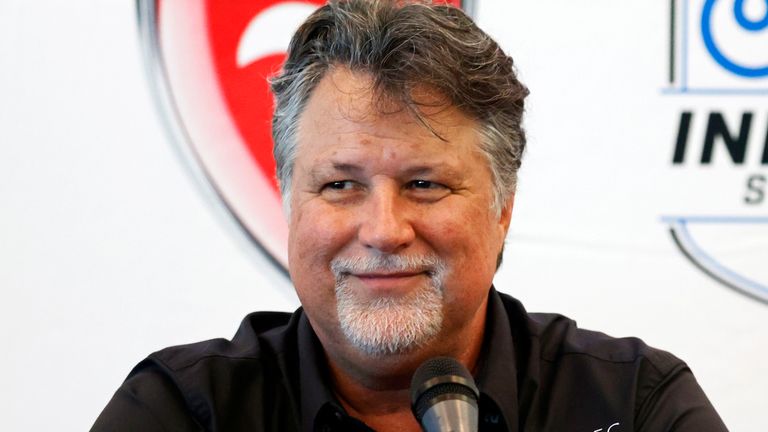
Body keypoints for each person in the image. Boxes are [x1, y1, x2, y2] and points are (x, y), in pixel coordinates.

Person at [92, 1, 727, 431]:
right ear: (289, 204)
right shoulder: (182, 413)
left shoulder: (634, 407)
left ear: (503, 208)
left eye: (424, 184)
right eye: (340, 184)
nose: (383, 230)